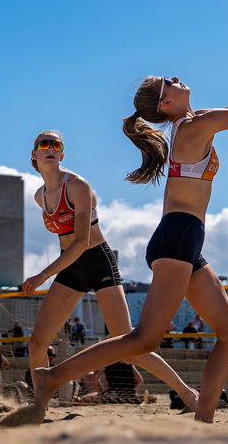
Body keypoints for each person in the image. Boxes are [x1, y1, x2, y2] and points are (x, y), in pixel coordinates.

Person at [2, 65, 228, 427]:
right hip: (177, 237)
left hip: (186, 239)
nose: (176, 77)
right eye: (169, 82)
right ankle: (51, 377)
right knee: (143, 338)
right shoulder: (195, 126)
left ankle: (204, 420)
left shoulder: (196, 121)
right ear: (166, 102)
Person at [20, 130, 199, 413]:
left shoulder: (77, 186)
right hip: (71, 265)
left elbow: (81, 242)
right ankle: (38, 405)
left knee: (130, 346)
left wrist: (42, 276)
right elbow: (67, 244)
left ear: (62, 154)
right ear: (35, 154)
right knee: (37, 342)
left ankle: (189, 396)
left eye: (57, 144)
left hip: (97, 260)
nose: (51, 148)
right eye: (45, 144)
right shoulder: (39, 196)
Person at [74, 361, 144, 405]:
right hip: (129, 396)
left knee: (79, 400)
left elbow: (94, 377)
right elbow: (140, 381)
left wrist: (100, 390)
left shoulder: (107, 361)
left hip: (111, 396)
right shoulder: (128, 362)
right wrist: (131, 390)